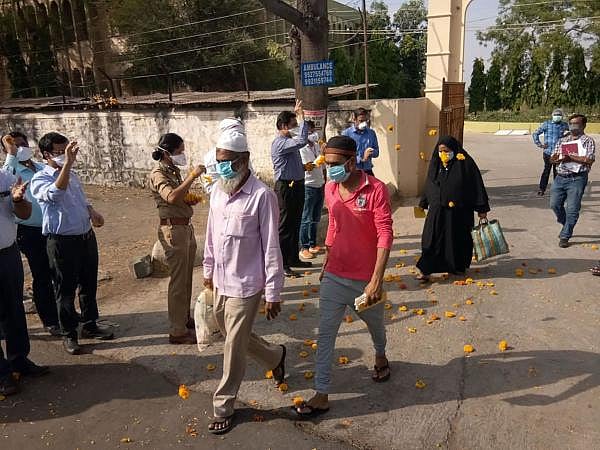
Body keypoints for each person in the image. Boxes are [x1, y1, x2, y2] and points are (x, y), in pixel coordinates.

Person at [293, 135, 393, 418]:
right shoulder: (330, 188)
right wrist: (327, 260)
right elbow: (334, 224)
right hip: (335, 276)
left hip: (365, 280)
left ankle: (381, 354)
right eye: (327, 165)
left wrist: (376, 279)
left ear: (351, 161)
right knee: (325, 335)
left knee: (376, 327)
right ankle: (321, 393)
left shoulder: (376, 189)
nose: (330, 170)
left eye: (335, 164)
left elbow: (385, 233)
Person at [203, 120, 286, 434]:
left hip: (247, 285)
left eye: (227, 162)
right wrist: (208, 272)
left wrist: (273, 291)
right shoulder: (216, 193)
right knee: (231, 336)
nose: (222, 166)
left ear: (244, 160)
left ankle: (223, 405)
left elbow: (271, 247)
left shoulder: (262, 197)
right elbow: (211, 235)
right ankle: (275, 356)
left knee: (233, 346)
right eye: (219, 160)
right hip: (221, 282)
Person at [30, 133, 114, 355]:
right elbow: (56, 195)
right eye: (60, 151)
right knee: (65, 290)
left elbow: (79, 198)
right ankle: (69, 334)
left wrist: (91, 211)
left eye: (68, 150)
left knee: (88, 284)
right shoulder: (41, 179)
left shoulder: (72, 174)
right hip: (62, 242)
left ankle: (90, 324)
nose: (67, 155)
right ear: (46, 154)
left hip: (84, 236)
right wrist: (66, 164)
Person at [149, 133, 206, 345]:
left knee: (186, 279)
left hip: (184, 227)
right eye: (180, 151)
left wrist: (188, 199)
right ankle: (177, 331)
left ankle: (183, 318)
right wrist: (193, 176)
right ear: (167, 152)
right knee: (178, 282)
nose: (182, 154)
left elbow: (178, 198)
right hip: (173, 230)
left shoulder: (172, 170)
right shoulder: (158, 173)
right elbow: (171, 197)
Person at [2, 132, 60, 336]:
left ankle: (63, 312)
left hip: (50, 226)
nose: (21, 148)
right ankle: (50, 320)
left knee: (57, 271)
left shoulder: (39, 166)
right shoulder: (11, 171)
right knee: (42, 274)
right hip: (28, 230)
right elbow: (6, 180)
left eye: (23, 144)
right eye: (16, 146)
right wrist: (11, 154)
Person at [1, 169, 50, 395]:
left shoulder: (7, 179)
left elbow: (25, 212)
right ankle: (2, 374)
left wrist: (18, 199)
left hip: (7, 254)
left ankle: (19, 360)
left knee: (14, 309)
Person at [416, 136, 490, 282]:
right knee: (430, 240)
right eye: (440, 150)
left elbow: (476, 186)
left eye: (447, 150)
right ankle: (425, 270)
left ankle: (457, 268)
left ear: (454, 150)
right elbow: (429, 184)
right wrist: (423, 202)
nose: (443, 153)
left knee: (457, 241)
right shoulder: (436, 164)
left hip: (459, 214)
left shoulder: (466, 164)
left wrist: (482, 208)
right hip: (437, 212)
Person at [271, 100, 314, 277]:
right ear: (283, 126)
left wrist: (304, 168)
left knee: (296, 221)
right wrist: (302, 116)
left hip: (297, 184)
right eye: (293, 125)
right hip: (285, 187)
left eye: (297, 124)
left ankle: (293, 258)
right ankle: (282, 264)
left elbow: (289, 164)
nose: (296, 128)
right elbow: (303, 140)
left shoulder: (288, 142)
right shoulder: (280, 143)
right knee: (285, 226)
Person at [549, 114, 595, 248]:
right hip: (560, 177)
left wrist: (572, 158)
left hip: (577, 178)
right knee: (554, 204)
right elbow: (553, 157)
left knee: (572, 209)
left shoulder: (588, 141)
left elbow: (589, 159)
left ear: (583, 125)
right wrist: (555, 158)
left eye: (576, 124)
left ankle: (565, 235)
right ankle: (566, 224)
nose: (573, 126)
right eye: (571, 124)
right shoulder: (563, 140)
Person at [298, 121, 326, 260]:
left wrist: (323, 153)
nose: (313, 134)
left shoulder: (315, 145)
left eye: (313, 131)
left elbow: (322, 164)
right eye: (309, 132)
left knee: (315, 217)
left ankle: (312, 244)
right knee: (306, 217)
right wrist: (321, 157)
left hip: (319, 183)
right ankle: (303, 247)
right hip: (308, 185)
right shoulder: (301, 148)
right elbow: (309, 166)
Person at [532, 108, 569, 196]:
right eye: (556, 115)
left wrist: (567, 137)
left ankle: (557, 190)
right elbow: (535, 134)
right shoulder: (546, 124)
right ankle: (542, 189)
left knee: (557, 172)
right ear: (552, 116)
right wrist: (540, 144)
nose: (557, 117)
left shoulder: (564, 125)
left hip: (559, 152)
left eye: (559, 115)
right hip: (548, 152)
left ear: (562, 117)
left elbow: (571, 133)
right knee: (546, 171)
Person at [342, 107, 379, 176]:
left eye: (365, 121)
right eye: (361, 121)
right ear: (354, 120)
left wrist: (371, 152)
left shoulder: (371, 133)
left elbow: (377, 152)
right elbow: (344, 154)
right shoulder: (346, 133)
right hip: (352, 171)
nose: (364, 124)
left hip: (367, 170)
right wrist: (360, 159)